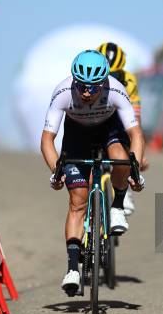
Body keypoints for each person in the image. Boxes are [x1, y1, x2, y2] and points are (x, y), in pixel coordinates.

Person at [40, 50, 145, 294]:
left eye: (93, 87)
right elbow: (47, 139)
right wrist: (56, 171)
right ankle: (72, 269)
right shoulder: (63, 92)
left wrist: (135, 171)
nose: (86, 92)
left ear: (104, 83)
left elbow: (135, 135)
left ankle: (117, 206)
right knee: (77, 200)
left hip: (109, 130)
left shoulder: (116, 90)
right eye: (82, 86)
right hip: (76, 136)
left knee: (121, 159)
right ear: (74, 80)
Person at [97, 42, 149, 216]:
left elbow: (135, 120)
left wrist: (141, 153)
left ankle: (123, 188)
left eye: (114, 75)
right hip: (95, 117)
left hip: (119, 116)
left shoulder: (129, 80)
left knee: (128, 138)